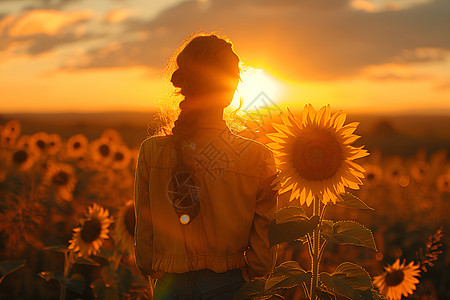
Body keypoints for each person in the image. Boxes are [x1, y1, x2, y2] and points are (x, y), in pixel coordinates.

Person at [134, 33, 278, 299]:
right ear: (232, 88)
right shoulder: (257, 157)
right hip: (229, 285)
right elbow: (262, 256)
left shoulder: (151, 153)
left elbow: (144, 246)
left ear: (183, 84)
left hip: (170, 287)